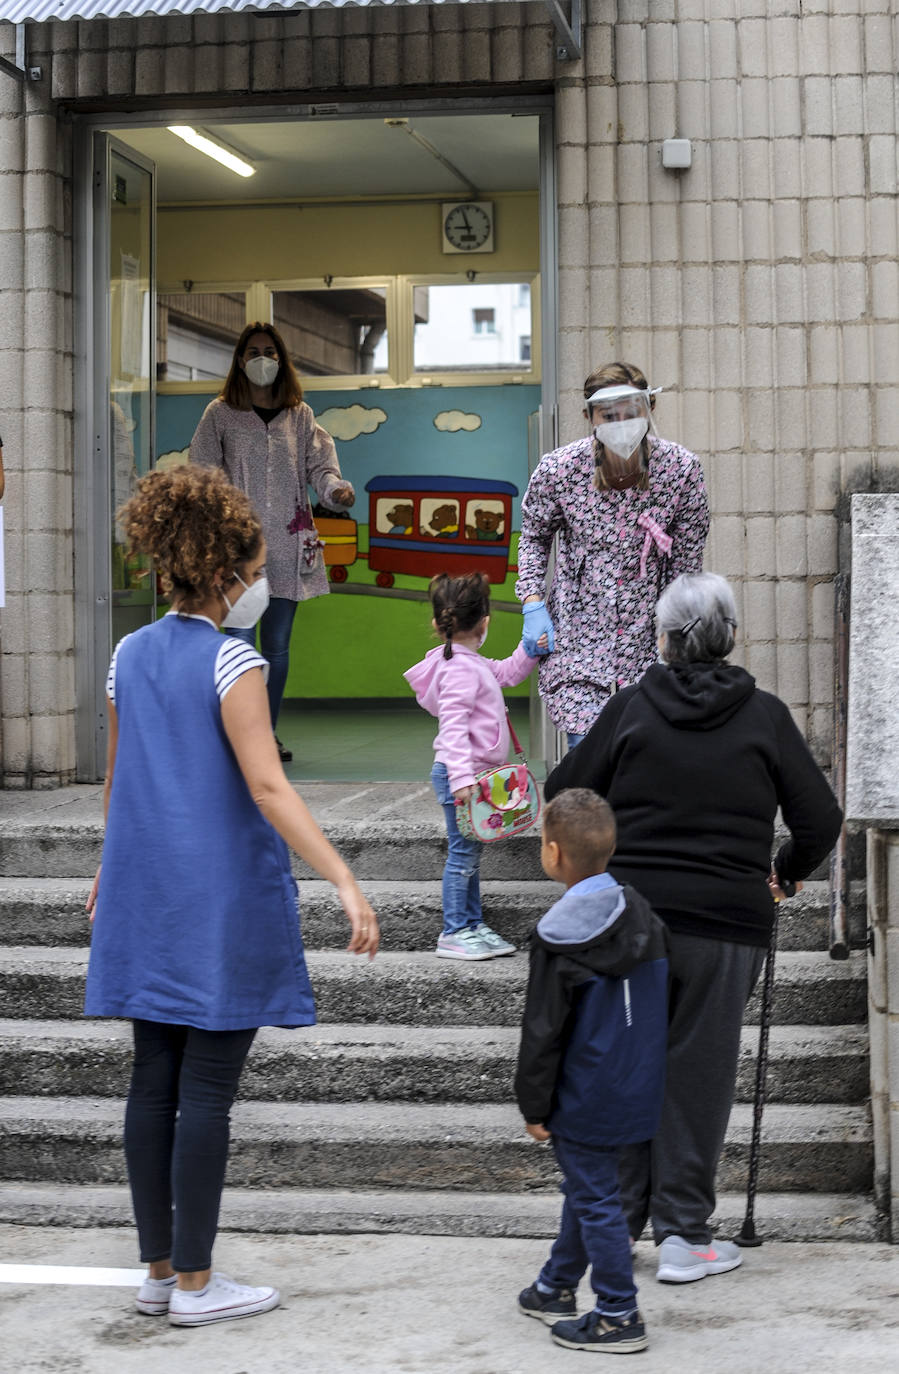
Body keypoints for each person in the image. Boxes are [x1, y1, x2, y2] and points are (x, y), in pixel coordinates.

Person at [84, 465, 379, 1327]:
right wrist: (344, 878)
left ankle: (160, 1270)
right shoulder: (234, 658)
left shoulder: (127, 654)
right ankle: (200, 1289)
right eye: (252, 572)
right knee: (206, 1091)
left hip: (142, 891)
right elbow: (268, 788)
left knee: (153, 1081)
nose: (255, 586)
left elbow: (116, 779)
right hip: (216, 900)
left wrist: (108, 870)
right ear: (223, 573)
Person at [543, 572, 843, 1283]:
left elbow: (566, 791)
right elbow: (820, 819)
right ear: (730, 637)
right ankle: (683, 1235)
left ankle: (613, 1228)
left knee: (626, 1070)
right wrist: (786, 868)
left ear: (664, 640)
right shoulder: (765, 715)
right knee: (697, 1075)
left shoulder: (628, 710)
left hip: (631, 923)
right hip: (724, 925)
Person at [514, 790, 668, 1354]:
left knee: (596, 1196)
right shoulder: (646, 916)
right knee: (590, 1186)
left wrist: (534, 1104)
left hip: (585, 1093)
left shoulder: (557, 936)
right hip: (640, 1083)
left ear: (552, 852)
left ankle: (617, 1314)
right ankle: (554, 1287)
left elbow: (543, 1029)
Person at [516, 361, 710, 749]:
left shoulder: (681, 471)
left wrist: (680, 637)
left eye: (631, 411)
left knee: (644, 761)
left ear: (649, 409)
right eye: (608, 414)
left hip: (649, 646)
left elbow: (686, 564)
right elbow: (534, 537)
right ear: (589, 416)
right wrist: (533, 603)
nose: (621, 422)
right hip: (578, 642)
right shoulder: (559, 470)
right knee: (588, 756)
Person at [190, 321, 354, 762]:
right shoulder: (219, 414)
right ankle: (239, 738)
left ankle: (267, 734)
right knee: (239, 643)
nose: (262, 359)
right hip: (237, 550)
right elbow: (201, 474)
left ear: (281, 360)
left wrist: (336, 491)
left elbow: (321, 469)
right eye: (253, 351)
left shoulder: (299, 415)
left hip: (287, 544)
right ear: (240, 361)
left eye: (270, 351)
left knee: (276, 649)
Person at [404, 571, 542, 961]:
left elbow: (508, 673)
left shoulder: (469, 662)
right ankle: (453, 931)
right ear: (484, 622)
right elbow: (453, 727)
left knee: (470, 854)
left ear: (438, 623)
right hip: (462, 778)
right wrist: (462, 778)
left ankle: (473, 923)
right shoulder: (461, 669)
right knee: (463, 855)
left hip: (474, 777)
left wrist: (530, 649)